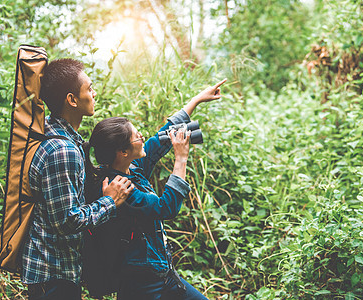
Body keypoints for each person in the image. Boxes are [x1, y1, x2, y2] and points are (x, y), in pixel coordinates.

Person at [84, 79, 227, 299]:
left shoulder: (133, 167)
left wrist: (197, 99)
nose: (142, 137)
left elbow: (160, 138)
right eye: (136, 136)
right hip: (140, 281)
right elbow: (165, 208)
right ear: (122, 151)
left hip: (163, 272)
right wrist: (181, 158)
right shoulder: (120, 188)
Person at [21, 58, 134, 300]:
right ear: (72, 99)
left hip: (56, 271)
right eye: (89, 88)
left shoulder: (54, 131)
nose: (94, 94)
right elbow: (67, 221)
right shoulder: (63, 151)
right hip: (52, 274)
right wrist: (109, 202)